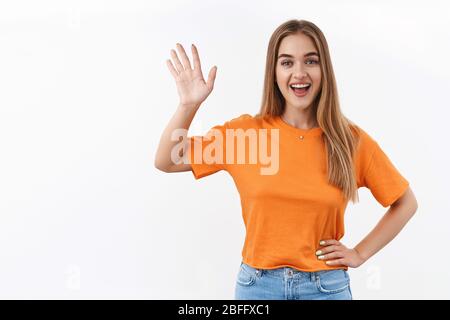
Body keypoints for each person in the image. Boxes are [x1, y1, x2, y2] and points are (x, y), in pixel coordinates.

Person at [154, 19, 418, 300]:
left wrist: (359, 254)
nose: (299, 73)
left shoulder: (350, 141)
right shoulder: (246, 135)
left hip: (325, 288)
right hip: (257, 288)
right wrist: (188, 105)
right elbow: (168, 160)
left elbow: (405, 203)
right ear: (274, 72)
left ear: (324, 69)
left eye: (311, 61)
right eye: (287, 62)